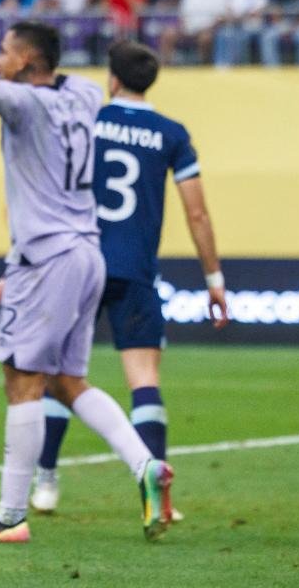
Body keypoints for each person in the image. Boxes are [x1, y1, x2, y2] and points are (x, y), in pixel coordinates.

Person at [0, 22, 174, 544]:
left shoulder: (23, 104)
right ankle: (146, 464)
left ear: (25, 61)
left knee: (21, 379)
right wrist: (5, 70)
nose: (0, 56)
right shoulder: (86, 93)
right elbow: (11, 80)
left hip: (47, 258)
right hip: (88, 253)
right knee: (67, 382)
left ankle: (10, 516)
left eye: (6, 49)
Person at [32, 40, 228, 515]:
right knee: (144, 380)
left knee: (60, 374)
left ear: (112, 79)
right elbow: (197, 213)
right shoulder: (172, 133)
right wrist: (214, 280)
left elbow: (51, 184)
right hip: (135, 270)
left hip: (78, 263)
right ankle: (157, 491)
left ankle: (46, 481)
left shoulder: (90, 120)